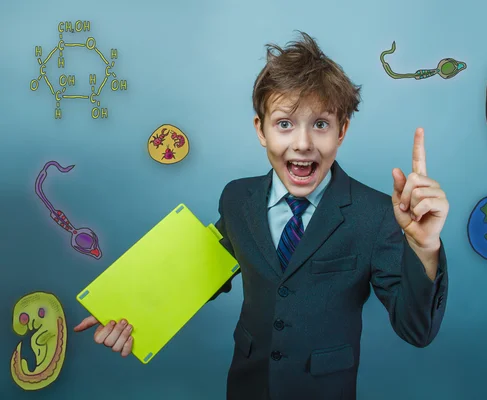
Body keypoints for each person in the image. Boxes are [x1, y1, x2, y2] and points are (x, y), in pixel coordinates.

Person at [74, 31, 450, 400]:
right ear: (261, 130)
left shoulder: (375, 214)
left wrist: (425, 246)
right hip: (247, 386)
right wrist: (121, 307)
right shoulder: (237, 199)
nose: (302, 143)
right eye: (284, 123)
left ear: (342, 131)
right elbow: (201, 268)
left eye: (320, 124)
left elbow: (417, 330)